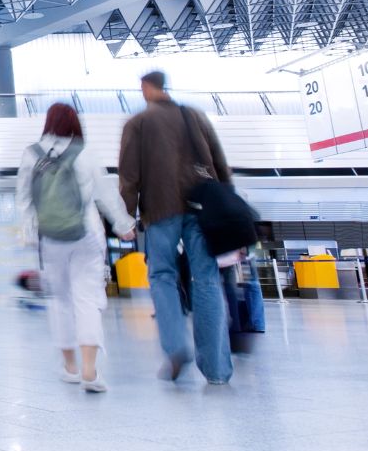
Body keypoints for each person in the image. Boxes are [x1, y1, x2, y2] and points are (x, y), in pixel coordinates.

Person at [119, 70, 234, 385]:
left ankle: (175, 346)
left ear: (146, 87)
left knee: (162, 276)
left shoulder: (138, 124)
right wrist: (229, 206)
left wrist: (126, 216)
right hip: (202, 209)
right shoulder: (193, 116)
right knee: (207, 279)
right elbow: (220, 163)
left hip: (160, 210)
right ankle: (217, 369)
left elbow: (129, 176)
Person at [18, 103, 135, 392]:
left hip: (50, 238)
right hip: (86, 235)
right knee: (87, 299)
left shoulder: (31, 154)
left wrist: (31, 234)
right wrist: (123, 225)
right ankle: (90, 371)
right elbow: (107, 194)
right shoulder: (85, 152)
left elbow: (24, 200)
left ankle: (69, 367)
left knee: (60, 301)